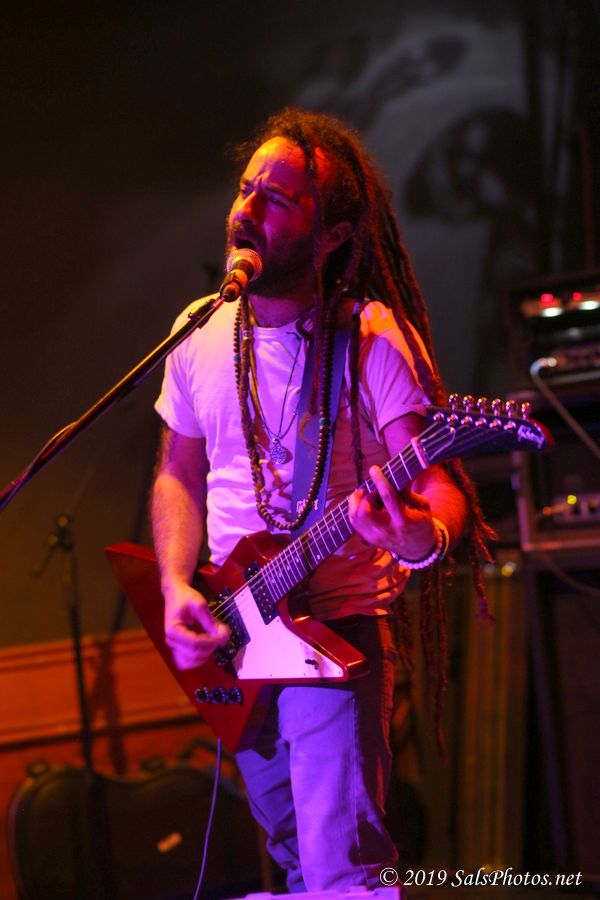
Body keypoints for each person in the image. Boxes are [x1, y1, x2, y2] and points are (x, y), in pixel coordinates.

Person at [151, 108, 493, 893]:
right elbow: (177, 473)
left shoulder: (370, 337)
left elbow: (438, 488)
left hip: (332, 636)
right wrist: (173, 583)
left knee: (343, 876)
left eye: (276, 199)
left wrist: (412, 534)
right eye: (246, 189)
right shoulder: (198, 331)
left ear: (333, 235)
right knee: (294, 869)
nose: (247, 208)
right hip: (240, 638)